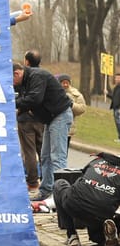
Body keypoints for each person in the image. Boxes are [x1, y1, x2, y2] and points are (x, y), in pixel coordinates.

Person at [13, 62, 73, 201]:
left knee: (57, 157)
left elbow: (35, 99)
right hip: (50, 118)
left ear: (17, 73)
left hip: (60, 115)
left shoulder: (36, 76)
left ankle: (60, 195)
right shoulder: (26, 81)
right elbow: (26, 100)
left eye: (12, 80)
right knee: (45, 156)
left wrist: (13, 102)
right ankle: (46, 190)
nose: (13, 85)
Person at [53, 152, 120, 246]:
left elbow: (81, 179)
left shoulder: (96, 161)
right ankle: (109, 235)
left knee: (59, 184)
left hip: (75, 203)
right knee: (97, 227)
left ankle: (72, 236)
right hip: (102, 213)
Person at [16, 51, 45, 197]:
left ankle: (33, 182)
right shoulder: (43, 76)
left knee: (29, 153)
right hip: (40, 118)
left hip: (25, 118)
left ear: (26, 62)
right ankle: (47, 180)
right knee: (43, 151)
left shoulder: (26, 77)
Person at [57, 74, 86, 150]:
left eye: (67, 82)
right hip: (55, 126)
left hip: (68, 128)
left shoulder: (76, 94)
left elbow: (82, 108)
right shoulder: (54, 92)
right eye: (63, 83)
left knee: (64, 151)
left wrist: (71, 104)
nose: (65, 85)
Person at [110, 73, 120, 143]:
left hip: (119, 109)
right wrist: (107, 94)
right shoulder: (116, 88)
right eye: (116, 78)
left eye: (118, 78)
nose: (116, 79)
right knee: (117, 124)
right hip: (115, 108)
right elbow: (113, 98)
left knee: (119, 123)